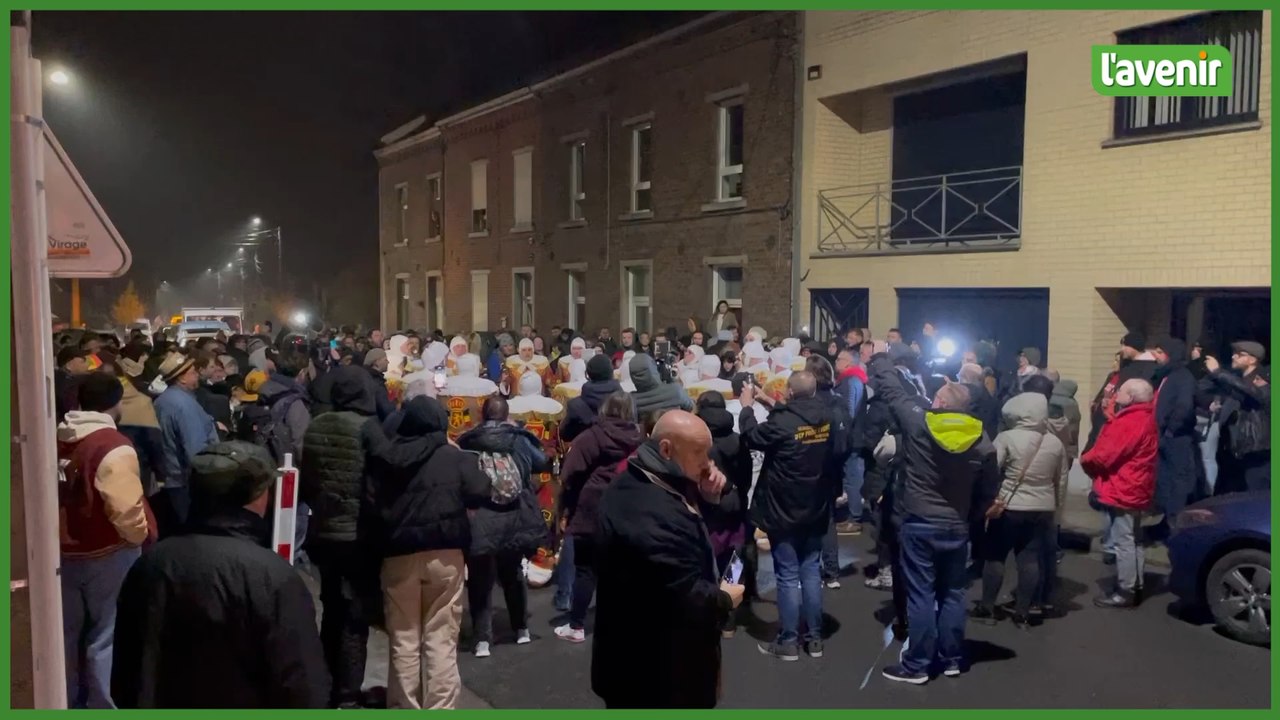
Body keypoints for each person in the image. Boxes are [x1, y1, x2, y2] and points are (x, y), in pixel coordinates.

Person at [112, 442, 328, 708]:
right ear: (258, 497)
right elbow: (303, 686)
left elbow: (125, 673)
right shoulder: (272, 577)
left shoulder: (151, 565)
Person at [592, 411, 744, 709]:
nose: (708, 462)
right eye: (699, 453)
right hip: (653, 673)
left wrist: (708, 498)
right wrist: (724, 599)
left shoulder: (650, 480)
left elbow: (691, 535)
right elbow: (681, 589)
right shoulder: (646, 508)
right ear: (665, 449)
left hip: (653, 663)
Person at [867, 351, 1000, 685]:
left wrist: (881, 358)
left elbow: (894, 392)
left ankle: (917, 664)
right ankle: (952, 657)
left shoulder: (919, 422)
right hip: (956, 525)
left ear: (939, 402)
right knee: (953, 594)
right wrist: (971, 515)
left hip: (919, 522)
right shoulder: (982, 441)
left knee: (921, 595)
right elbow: (989, 488)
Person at [366, 397, 489, 708]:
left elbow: (372, 501)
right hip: (446, 553)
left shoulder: (389, 457)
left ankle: (404, 707)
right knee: (440, 638)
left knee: (404, 639)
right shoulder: (453, 457)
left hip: (399, 554)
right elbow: (480, 490)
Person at [57, 373, 152, 708]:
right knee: (106, 635)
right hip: (108, 551)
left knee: (66, 636)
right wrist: (137, 538)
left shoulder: (59, 437)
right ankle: (103, 704)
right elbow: (126, 507)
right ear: (116, 402)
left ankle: (65, 701)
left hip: (66, 552)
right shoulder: (112, 445)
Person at [740, 371, 837, 661]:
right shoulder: (828, 415)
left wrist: (747, 407)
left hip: (784, 507)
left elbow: (751, 436)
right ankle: (815, 637)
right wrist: (769, 400)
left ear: (791, 394)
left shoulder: (782, 423)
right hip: (816, 502)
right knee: (810, 571)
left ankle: (789, 640)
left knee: (787, 575)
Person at [299, 366, 381, 708]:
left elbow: (308, 482)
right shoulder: (367, 430)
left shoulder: (316, 427)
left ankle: (326, 683)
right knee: (354, 617)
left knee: (331, 609)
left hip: (324, 532)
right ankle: (347, 693)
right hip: (357, 535)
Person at [456, 396, 550, 658]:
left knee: (480, 579)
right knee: (513, 574)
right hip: (515, 515)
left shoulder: (468, 441)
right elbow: (542, 462)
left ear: (484, 415)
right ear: (507, 414)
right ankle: (521, 629)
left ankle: (483, 640)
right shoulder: (518, 438)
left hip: (482, 517)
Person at [554, 391, 646, 644]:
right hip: (627, 507)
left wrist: (564, 509)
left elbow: (569, 474)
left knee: (586, 570)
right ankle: (618, 623)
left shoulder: (592, 436)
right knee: (618, 569)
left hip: (591, 507)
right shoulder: (639, 437)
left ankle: (576, 626)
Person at [970, 391, 1068, 627]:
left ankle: (988, 607)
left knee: (995, 557)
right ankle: (1023, 611)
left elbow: (991, 470)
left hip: (1010, 506)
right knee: (1029, 559)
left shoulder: (1006, 438)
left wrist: (986, 501)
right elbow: (1061, 479)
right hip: (1041, 508)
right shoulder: (1054, 442)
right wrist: (1056, 508)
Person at [1080, 379, 1158, 608]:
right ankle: (1136, 583)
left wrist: (1085, 461)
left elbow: (1104, 455)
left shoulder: (1130, 422)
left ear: (1131, 397)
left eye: (1121, 391)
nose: (1116, 393)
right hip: (1136, 485)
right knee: (1134, 538)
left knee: (1123, 539)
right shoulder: (1145, 416)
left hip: (1123, 486)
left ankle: (1125, 590)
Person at [693, 391, 754, 638]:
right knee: (734, 560)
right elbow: (747, 475)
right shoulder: (739, 440)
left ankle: (707, 612)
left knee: (706, 559)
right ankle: (728, 616)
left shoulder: (700, 443)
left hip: (708, 507)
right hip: (736, 504)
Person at [153, 352, 220, 530]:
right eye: (192, 372)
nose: (196, 374)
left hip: (171, 480)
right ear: (181, 378)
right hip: (184, 484)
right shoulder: (183, 406)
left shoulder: (163, 401)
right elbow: (196, 452)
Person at [1150, 337, 1202, 527]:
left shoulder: (1183, 376)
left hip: (1176, 438)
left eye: (1159, 352)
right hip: (1162, 436)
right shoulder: (1165, 375)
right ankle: (1166, 519)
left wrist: (1171, 430)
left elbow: (1184, 407)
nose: (1156, 356)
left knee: (1178, 480)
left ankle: (1176, 522)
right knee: (1163, 478)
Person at [1206, 341, 1270, 492]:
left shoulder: (1264, 377)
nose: (1234, 356)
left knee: (1253, 494)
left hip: (1255, 451)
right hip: (1233, 449)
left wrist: (1218, 372)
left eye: (1240, 354)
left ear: (1252, 359)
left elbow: (1253, 394)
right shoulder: (1237, 379)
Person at [833, 348, 867, 535]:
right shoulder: (854, 379)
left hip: (852, 438)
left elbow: (848, 412)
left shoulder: (850, 381)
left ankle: (855, 518)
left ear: (848, 363)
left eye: (839, 359)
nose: (836, 361)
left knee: (853, 477)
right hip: (854, 437)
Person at [561, 354, 623, 442]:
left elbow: (565, 435)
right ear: (611, 371)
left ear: (588, 374)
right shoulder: (626, 403)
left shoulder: (575, 406)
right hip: (623, 452)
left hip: (587, 453)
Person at [629, 352, 693, 417]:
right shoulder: (675, 391)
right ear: (653, 370)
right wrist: (672, 380)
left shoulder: (629, 401)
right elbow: (691, 407)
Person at [56, 345, 91, 422]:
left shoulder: (60, 380)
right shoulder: (68, 386)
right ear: (69, 365)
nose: (87, 366)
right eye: (83, 362)